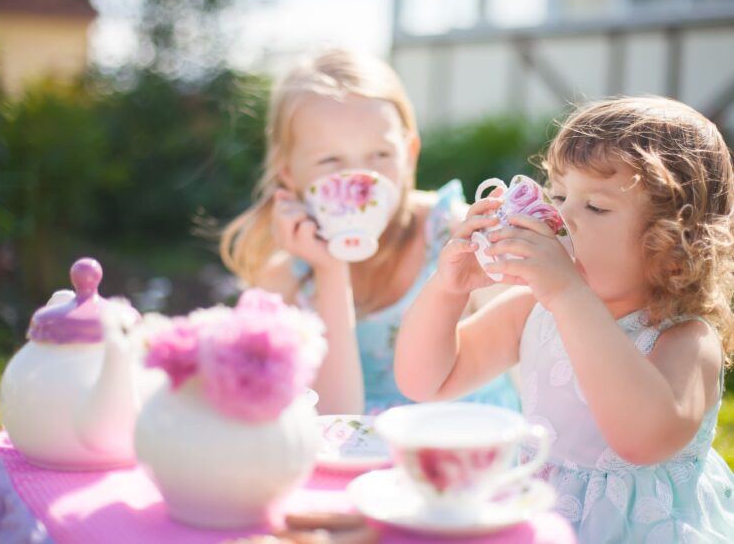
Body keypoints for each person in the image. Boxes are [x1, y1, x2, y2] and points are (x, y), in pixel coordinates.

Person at [394, 96, 734, 542]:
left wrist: (569, 295)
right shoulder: (532, 308)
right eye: (558, 195)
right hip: (541, 519)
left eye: (595, 207)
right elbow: (426, 381)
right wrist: (446, 289)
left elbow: (642, 440)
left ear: (674, 243)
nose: (561, 217)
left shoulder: (686, 339)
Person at [220, 48, 520, 415]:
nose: (362, 179)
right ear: (288, 172)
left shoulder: (460, 239)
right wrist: (331, 271)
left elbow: (530, 360)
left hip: (468, 451)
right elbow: (333, 421)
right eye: (331, 160)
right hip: (356, 463)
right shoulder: (286, 279)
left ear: (409, 153)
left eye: (380, 155)